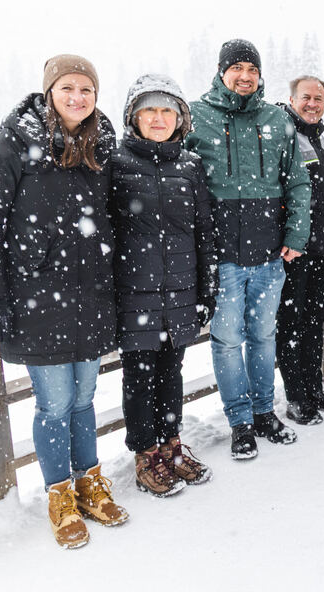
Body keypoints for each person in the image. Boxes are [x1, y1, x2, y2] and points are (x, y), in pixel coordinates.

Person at [0, 54, 128, 548]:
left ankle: (89, 481)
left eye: (86, 89)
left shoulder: (100, 145)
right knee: (55, 402)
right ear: (50, 92)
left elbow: (111, 216)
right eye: (68, 87)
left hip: (91, 295)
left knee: (85, 398)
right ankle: (59, 495)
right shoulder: (13, 143)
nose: (77, 97)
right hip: (37, 296)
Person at [185, 39, 311, 460]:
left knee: (262, 336)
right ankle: (239, 420)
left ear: (260, 75)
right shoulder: (195, 116)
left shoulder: (276, 118)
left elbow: (296, 181)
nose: (244, 75)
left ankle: (263, 413)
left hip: (269, 256)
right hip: (222, 259)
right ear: (221, 72)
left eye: (251, 69)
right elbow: (182, 184)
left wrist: (295, 237)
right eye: (236, 67)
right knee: (225, 341)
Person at [110, 74, 217, 497]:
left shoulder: (189, 166)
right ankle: (145, 454)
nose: (158, 118)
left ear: (180, 118)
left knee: (171, 374)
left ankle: (172, 446)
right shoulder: (116, 164)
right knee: (139, 378)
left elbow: (203, 232)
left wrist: (206, 290)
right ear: (134, 118)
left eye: (167, 110)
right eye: (149, 110)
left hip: (180, 293)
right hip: (134, 295)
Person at [275, 75, 324, 425]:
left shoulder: (320, 140)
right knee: (291, 323)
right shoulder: (282, 135)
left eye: (319, 99)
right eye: (306, 97)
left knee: (314, 321)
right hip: (296, 250)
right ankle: (296, 396)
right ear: (291, 100)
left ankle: (313, 387)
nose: (313, 104)